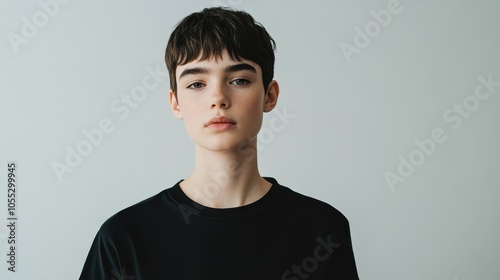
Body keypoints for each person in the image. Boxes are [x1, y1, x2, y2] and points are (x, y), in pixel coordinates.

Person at [80, 7, 359, 280]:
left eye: (239, 80)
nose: (218, 98)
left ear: (269, 96)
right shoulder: (123, 238)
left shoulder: (321, 231)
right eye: (196, 84)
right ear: (175, 102)